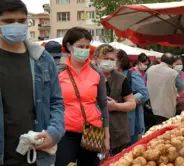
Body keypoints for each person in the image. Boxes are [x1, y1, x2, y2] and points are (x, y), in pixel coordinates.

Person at [0, 1, 65, 165]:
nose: (16, 25)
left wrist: (54, 132)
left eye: (21, 21)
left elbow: (56, 102)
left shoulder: (43, 59)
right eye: (8, 21)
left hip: (37, 157)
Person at [56, 27, 109, 166]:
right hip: (65, 132)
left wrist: (106, 135)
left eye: (87, 47)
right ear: (69, 46)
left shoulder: (97, 72)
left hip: (93, 130)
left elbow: (103, 104)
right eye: (81, 46)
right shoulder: (58, 72)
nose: (85, 50)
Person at [94, 44, 136, 155]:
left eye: (112, 59)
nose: (109, 61)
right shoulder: (88, 76)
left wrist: (115, 106)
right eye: (105, 58)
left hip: (117, 132)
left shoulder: (121, 78)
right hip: (93, 130)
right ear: (97, 59)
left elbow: (132, 103)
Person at [117, 50, 149, 145]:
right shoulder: (110, 75)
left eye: (112, 59)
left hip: (131, 122)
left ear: (121, 61)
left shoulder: (131, 75)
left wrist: (128, 101)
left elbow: (144, 93)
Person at [147, 53, 184, 123]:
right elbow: (182, 89)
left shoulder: (149, 69)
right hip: (166, 110)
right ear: (173, 63)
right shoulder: (174, 73)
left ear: (161, 60)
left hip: (151, 108)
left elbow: (146, 82)